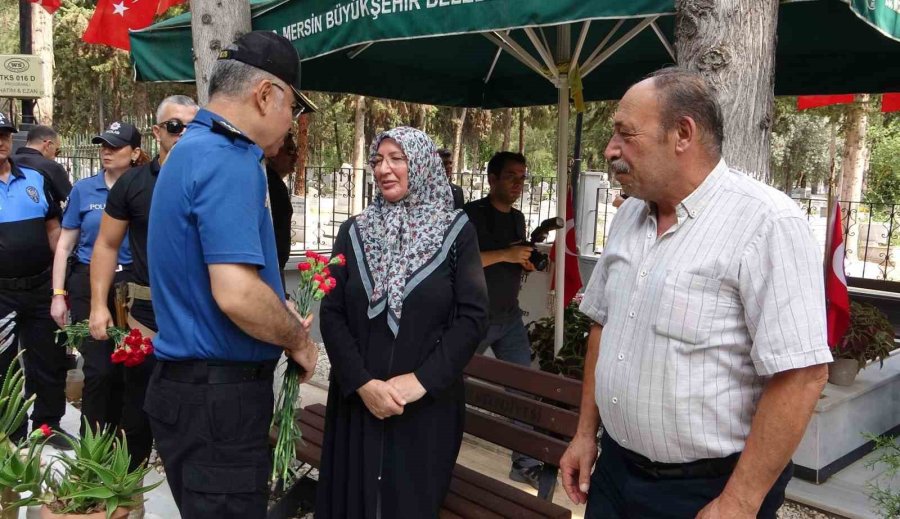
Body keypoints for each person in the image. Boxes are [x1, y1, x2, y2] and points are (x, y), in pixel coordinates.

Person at [559, 67, 832, 519]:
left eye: (627, 135)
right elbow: (602, 327)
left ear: (682, 133)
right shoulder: (629, 218)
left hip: (707, 492)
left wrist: (741, 501)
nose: (611, 150)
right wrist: (586, 434)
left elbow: (802, 376)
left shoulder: (766, 223)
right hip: (614, 474)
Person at [144, 31, 317, 519]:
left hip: (193, 395)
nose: (292, 124)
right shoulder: (230, 158)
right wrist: (297, 342)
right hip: (218, 401)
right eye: (295, 108)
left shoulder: (191, 148)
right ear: (265, 95)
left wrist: (278, 314)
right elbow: (237, 293)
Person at [316, 127, 488, 518]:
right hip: (357, 404)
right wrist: (361, 382)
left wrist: (420, 381)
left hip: (424, 410)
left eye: (398, 158)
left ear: (423, 165)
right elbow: (332, 311)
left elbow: (472, 318)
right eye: (378, 159)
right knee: (351, 502)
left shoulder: (456, 231)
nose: (383, 169)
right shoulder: (355, 231)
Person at [86, 96, 198, 479]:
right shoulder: (134, 183)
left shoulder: (212, 180)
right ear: (157, 132)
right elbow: (105, 245)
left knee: (195, 408)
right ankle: (127, 489)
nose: (183, 134)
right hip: (146, 317)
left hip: (201, 316)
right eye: (174, 126)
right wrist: (98, 306)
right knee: (138, 407)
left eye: (191, 126)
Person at [50, 121, 142, 437]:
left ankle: (122, 440)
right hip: (89, 285)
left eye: (115, 146)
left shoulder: (144, 189)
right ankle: (93, 446)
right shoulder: (84, 190)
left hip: (131, 287)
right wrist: (58, 293)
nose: (106, 151)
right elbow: (64, 244)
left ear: (136, 153)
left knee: (129, 370)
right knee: (99, 370)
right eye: (104, 145)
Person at [462, 151, 542, 488]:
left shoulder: (518, 218)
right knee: (443, 380)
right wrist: (505, 255)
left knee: (522, 389)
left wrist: (524, 260)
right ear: (492, 178)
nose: (518, 183)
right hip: (472, 316)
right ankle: (424, 444)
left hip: (508, 317)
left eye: (522, 177)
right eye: (511, 176)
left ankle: (525, 464)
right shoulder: (470, 215)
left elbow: (511, 254)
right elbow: (460, 261)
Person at [0, 112, 69, 448]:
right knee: (5, 366)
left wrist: (61, 281)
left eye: (5, 134)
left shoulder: (34, 179)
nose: (1, 141)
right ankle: (11, 434)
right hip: (2, 294)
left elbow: (53, 228)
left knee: (49, 360)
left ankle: (47, 427)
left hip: (41, 287)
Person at [265, 132, 298, 276]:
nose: (296, 157)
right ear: (273, 153)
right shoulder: (271, 185)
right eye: (290, 151)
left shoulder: (274, 182)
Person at [12, 125, 72, 203]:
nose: (55, 157)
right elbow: (72, 200)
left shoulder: (8, 162)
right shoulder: (52, 168)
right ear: (48, 145)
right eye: (57, 151)